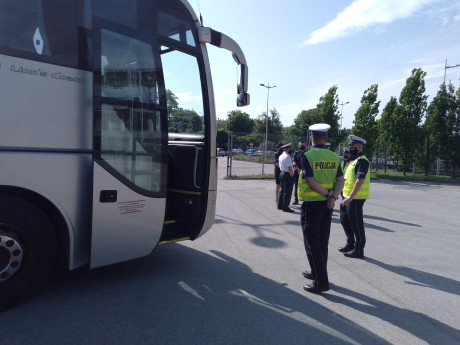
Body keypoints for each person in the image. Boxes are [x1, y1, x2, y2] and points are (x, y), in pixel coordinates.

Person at [298, 123, 344, 293]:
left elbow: (310, 181)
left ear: (311, 138)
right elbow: (341, 180)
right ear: (325, 139)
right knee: (322, 240)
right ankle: (317, 271)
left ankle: (321, 282)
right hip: (328, 204)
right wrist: (332, 197)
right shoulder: (334, 156)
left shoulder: (307, 156)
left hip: (312, 204)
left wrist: (326, 194)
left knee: (312, 242)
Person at [341, 135, 370, 259]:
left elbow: (360, 180)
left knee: (357, 224)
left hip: (355, 198)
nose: (350, 148)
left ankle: (359, 250)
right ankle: (350, 243)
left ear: (360, 146)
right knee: (344, 220)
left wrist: (350, 197)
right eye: (350, 146)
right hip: (346, 196)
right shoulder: (353, 160)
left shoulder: (362, 160)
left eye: (352, 146)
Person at [338, 147, 355, 253]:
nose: (345, 155)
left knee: (352, 221)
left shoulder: (353, 164)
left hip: (352, 197)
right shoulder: (343, 164)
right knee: (344, 219)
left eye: (347, 153)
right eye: (344, 153)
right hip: (344, 195)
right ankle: (350, 242)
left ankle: (354, 245)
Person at [277, 142, 295, 213]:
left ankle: (280, 205)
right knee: (287, 192)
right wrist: (292, 175)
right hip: (287, 174)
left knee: (282, 190)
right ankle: (285, 207)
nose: (291, 149)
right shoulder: (287, 156)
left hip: (282, 173)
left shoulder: (281, 155)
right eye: (290, 148)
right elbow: (289, 167)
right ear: (287, 149)